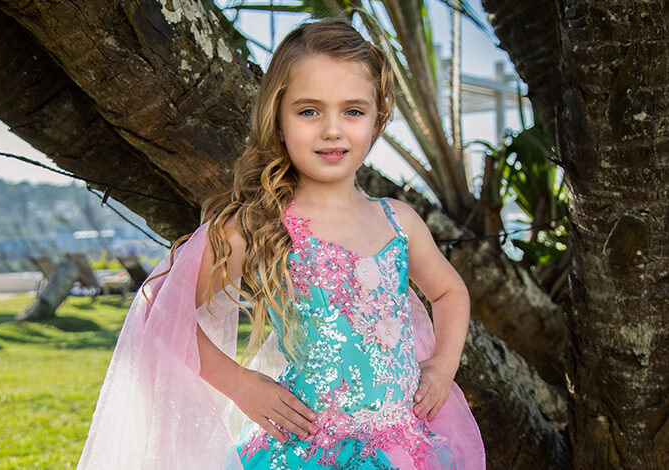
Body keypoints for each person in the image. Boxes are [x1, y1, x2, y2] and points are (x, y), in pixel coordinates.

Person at [77, 19, 484, 470]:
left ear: (378, 118)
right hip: (311, 450)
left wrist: (444, 364)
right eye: (309, 111)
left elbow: (450, 292)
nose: (332, 130)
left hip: (408, 446)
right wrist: (239, 384)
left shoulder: (398, 221)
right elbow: (159, 303)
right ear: (278, 119)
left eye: (353, 111)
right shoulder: (262, 224)